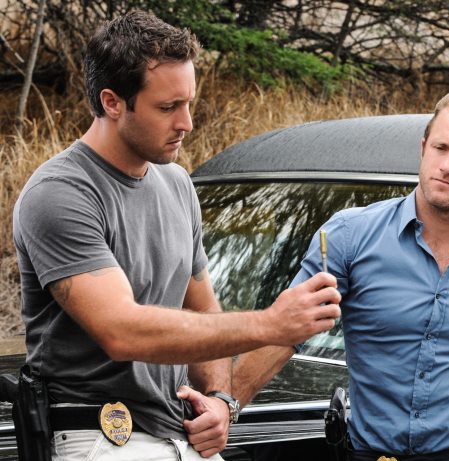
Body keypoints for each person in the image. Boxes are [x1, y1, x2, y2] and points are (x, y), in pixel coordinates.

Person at [12, 10, 341, 461]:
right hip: (98, 434)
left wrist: (221, 402)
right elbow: (121, 331)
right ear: (112, 102)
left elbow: (202, 310)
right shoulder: (61, 193)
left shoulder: (177, 184)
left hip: (178, 433)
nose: (186, 122)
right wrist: (269, 324)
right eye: (168, 107)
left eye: (188, 103)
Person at [231, 82, 449, 461]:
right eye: (440, 148)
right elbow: (287, 332)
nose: (447, 165)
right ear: (424, 148)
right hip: (371, 452)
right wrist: (224, 405)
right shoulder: (350, 236)